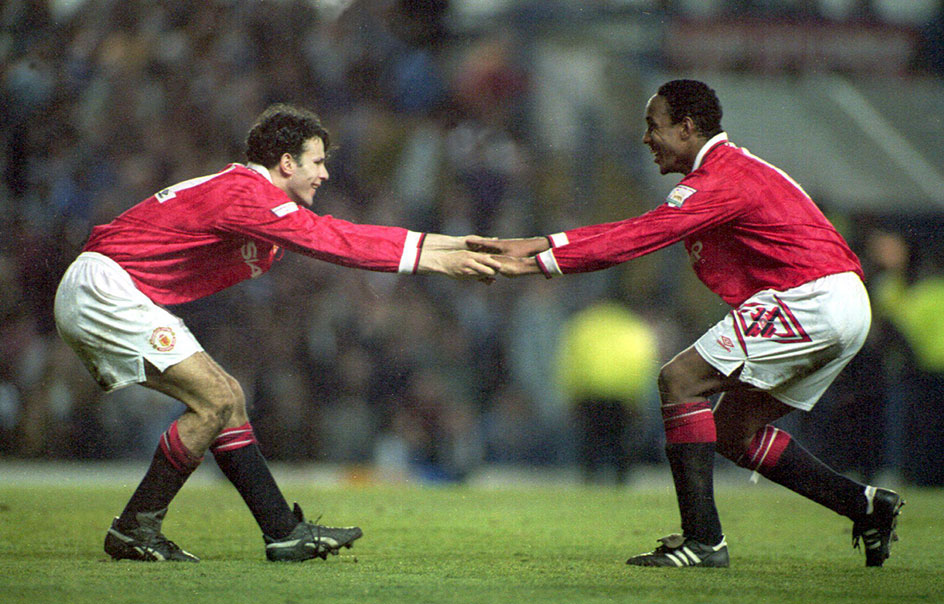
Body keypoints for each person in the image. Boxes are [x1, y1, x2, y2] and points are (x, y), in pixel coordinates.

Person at [470, 80, 903, 568]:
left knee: (680, 381)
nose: (646, 138)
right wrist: (545, 242)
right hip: (842, 301)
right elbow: (642, 228)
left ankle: (703, 541)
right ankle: (864, 506)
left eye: (653, 126)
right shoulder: (736, 170)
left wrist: (539, 260)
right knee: (735, 433)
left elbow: (638, 237)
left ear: (686, 128)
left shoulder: (719, 178)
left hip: (811, 297)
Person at [53, 103, 500, 563]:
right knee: (216, 399)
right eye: (317, 162)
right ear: (287, 163)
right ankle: (135, 527)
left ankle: (282, 532)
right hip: (105, 288)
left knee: (228, 398)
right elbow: (337, 240)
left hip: (106, 287)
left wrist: (454, 244)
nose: (324, 174)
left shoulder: (246, 197)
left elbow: (330, 234)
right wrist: (439, 260)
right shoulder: (248, 193)